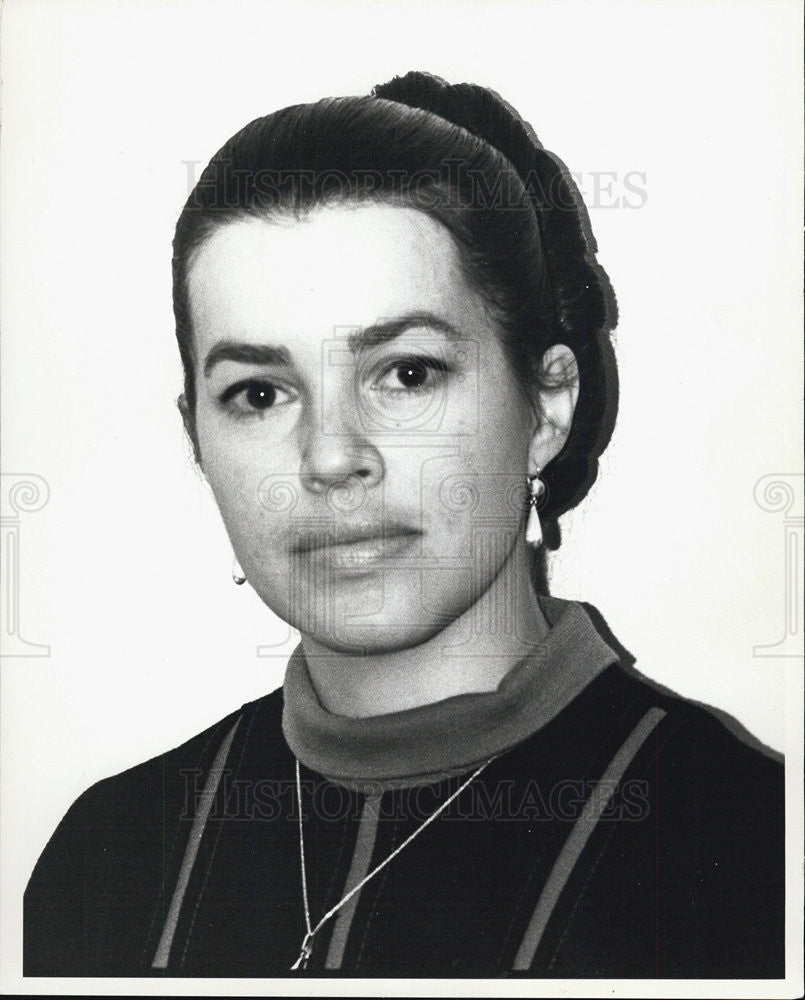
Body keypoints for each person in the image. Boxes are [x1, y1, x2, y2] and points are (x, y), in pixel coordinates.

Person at [23, 71, 784, 978]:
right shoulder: (107, 859)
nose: (330, 455)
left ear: (546, 405)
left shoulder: (747, 850)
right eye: (259, 394)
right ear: (198, 436)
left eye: (408, 374)